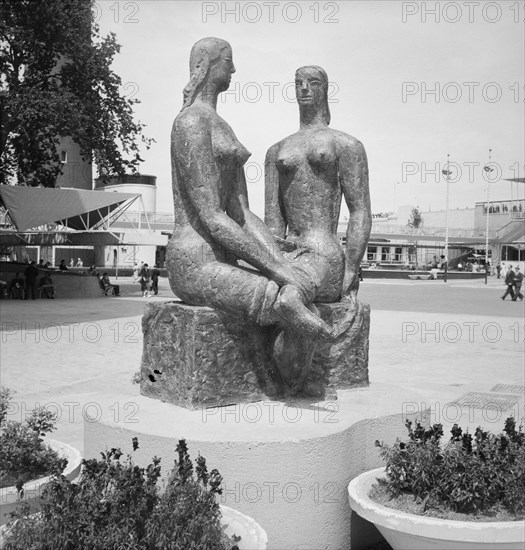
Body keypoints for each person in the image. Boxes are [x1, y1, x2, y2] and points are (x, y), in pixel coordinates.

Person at [166, 39, 358, 396]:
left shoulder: (221, 125)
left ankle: (280, 376)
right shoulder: (191, 123)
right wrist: (277, 269)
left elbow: (241, 213)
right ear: (208, 65)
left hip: (222, 260)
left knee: (290, 283)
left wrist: (277, 255)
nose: (234, 70)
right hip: (194, 263)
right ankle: (286, 382)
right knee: (285, 294)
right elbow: (211, 215)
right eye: (228, 62)